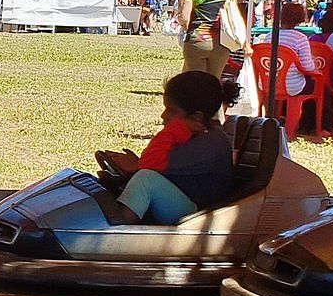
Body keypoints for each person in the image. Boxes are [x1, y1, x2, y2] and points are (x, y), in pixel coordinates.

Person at [94, 70, 237, 224]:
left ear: (197, 117)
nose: (163, 116)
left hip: (199, 217)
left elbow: (151, 162)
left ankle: (114, 232)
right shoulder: (197, 135)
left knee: (145, 181)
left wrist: (175, 129)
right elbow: (156, 163)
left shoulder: (210, 142)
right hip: (188, 203)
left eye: (171, 110)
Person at [179, 0, 235, 77]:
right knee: (214, 81)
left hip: (197, 39)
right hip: (221, 42)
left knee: (196, 81)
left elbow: (184, 17)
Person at [269, 1, 320, 99]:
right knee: (320, 86)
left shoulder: (270, 35)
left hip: (267, 83)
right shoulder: (300, 38)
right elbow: (308, 68)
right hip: (292, 87)